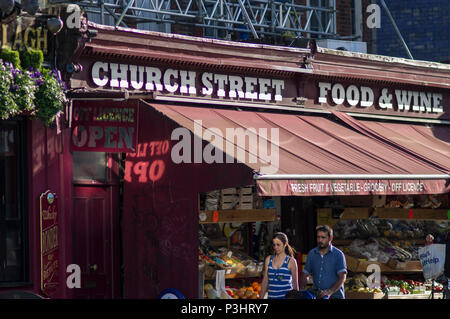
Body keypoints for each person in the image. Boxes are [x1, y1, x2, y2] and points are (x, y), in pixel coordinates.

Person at [300, 225, 347, 299]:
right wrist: (301, 291)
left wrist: (330, 291)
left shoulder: (338, 254)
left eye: (323, 237)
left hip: (335, 296)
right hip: (318, 295)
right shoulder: (312, 253)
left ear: (330, 238)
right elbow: (305, 274)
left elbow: (342, 277)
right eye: (318, 237)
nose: (320, 240)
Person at [260, 232, 298, 299]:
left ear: (285, 244)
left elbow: (295, 284)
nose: (275, 247)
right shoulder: (268, 259)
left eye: (278, 245)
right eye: (274, 245)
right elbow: (265, 281)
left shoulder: (291, 261)